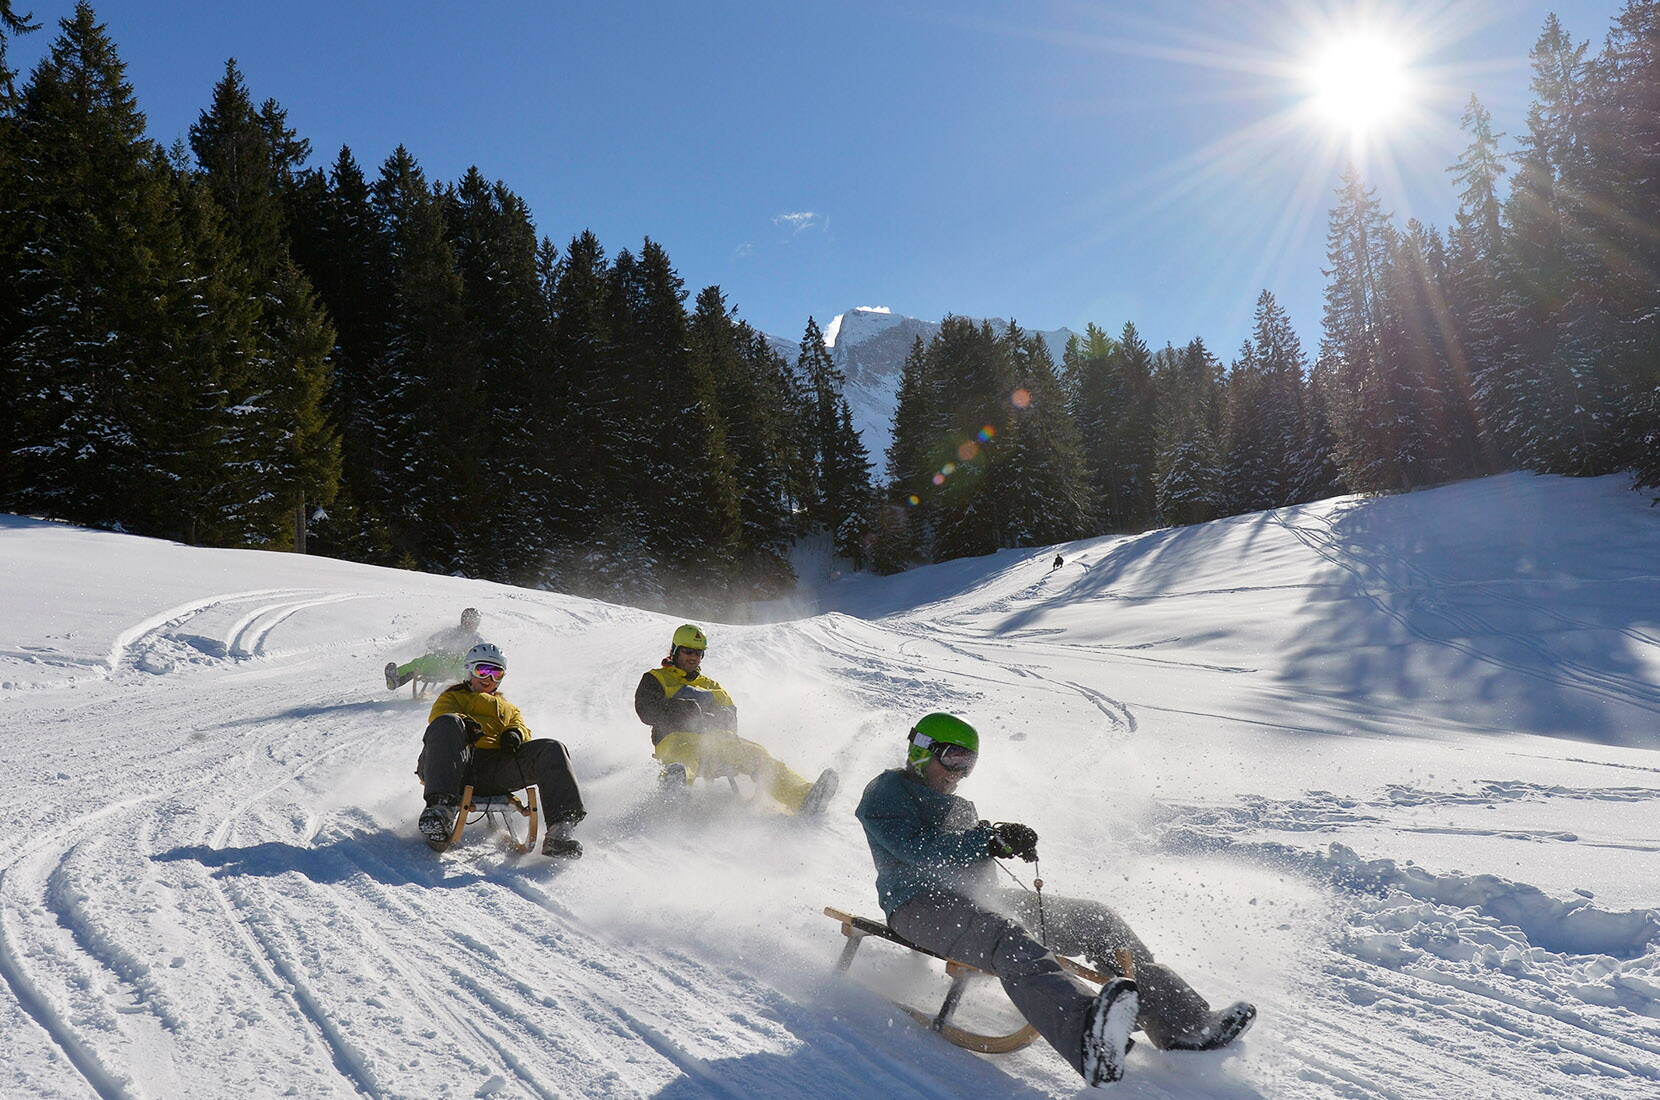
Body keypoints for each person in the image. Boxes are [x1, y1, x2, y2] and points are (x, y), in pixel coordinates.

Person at [854, 713, 1255, 1088]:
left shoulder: (960, 805)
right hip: (919, 907)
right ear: (923, 749)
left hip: (979, 901)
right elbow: (919, 849)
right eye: (953, 758)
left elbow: (967, 856)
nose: (960, 773)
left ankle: (1184, 1024)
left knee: (1094, 918)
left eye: (968, 763)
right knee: (1006, 937)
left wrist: (1005, 841)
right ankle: (1089, 1041)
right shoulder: (887, 791)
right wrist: (986, 839)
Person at [634, 623, 838, 815]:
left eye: (698, 653)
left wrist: (715, 718)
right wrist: (689, 710)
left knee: (758, 755)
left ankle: (804, 798)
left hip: (717, 743)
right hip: (675, 739)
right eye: (688, 651)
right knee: (684, 760)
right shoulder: (656, 678)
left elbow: (730, 716)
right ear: (675, 650)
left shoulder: (711, 685)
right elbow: (646, 710)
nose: (693, 657)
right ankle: (674, 791)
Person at [417, 642, 586, 857]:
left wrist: (515, 734)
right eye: (483, 671)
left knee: (552, 748)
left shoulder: (509, 708)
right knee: (448, 723)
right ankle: (439, 812)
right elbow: (440, 720)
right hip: (456, 766)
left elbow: (523, 728)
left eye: (496, 673)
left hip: (496, 771)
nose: (489, 679)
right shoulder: (452, 698)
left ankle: (560, 831)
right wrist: (465, 725)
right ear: (470, 670)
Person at [386, 607, 483, 691]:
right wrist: (434, 644)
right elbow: (432, 639)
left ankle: (468, 691)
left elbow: (483, 654)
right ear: (463, 620)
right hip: (441, 661)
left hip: (461, 666)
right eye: (468, 620)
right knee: (420, 662)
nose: (469, 623)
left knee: (466, 670)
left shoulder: (477, 639)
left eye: (473, 621)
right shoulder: (451, 632)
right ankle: (396, 678)